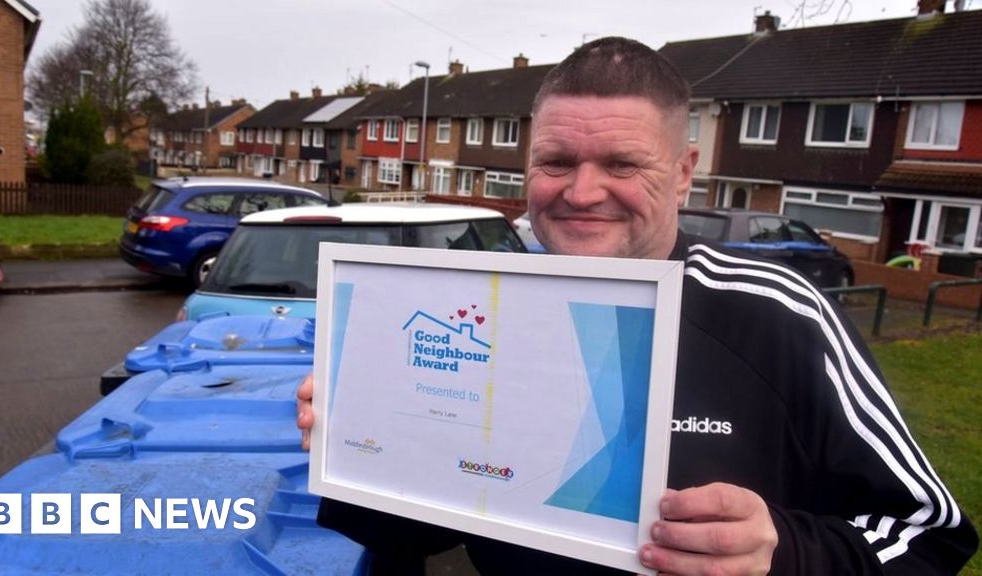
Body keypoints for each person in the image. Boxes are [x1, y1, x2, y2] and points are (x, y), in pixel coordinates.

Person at [298, 37, 978, 575]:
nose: (582, 192)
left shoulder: (777, 316)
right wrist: (359, 442)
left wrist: (783, 552)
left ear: (682, 173)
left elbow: (927, 536)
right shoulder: (486, 308)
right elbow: (415, 529)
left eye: (622, 164)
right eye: (556, 161)